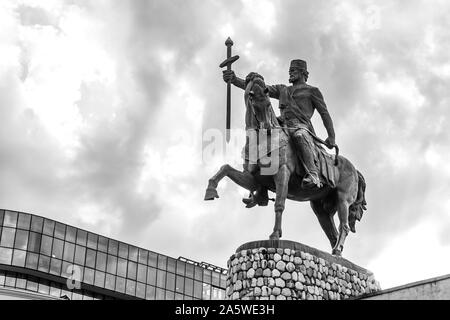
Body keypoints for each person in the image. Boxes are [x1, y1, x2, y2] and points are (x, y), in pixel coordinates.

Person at [223, 59, 336, 191]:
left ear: (303, 73)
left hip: (301, 126)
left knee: (299, 136)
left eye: (293, 71)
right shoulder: (282, 89)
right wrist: (235, 79)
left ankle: (313, 173)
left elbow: (324, 114)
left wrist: (331, 136)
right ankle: (259, 186)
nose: (290, 73)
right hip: (282, 124)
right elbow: (260, 90)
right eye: (290, 71)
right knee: (260, 136)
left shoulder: (312, 91)